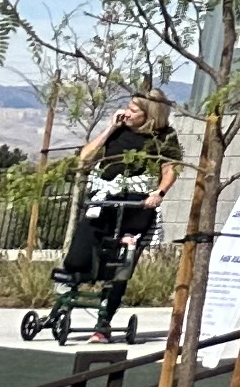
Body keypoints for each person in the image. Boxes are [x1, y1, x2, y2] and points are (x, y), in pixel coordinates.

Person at [63, 90, 181, 296]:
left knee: (122, 263)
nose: (126, 113)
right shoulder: (118, 130)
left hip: (136, 199)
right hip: (107, 197)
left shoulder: (164, 136)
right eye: (127, 108)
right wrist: (110, 128)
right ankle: (77, 276)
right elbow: (85, 158)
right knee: (85, 241)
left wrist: (159, 193)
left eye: (133, 110)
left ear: (149, 116)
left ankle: (106, 311)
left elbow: (169, 169)